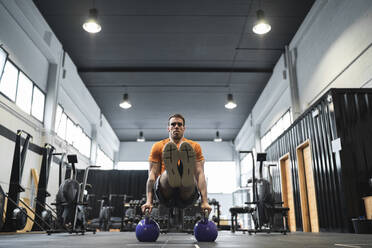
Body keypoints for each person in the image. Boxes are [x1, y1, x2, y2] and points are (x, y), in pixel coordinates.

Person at [141, 113, 211, 214]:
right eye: (173, 124)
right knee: (167, 174)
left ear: (184, 128)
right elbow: (152, 175)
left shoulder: (194, 147)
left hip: (184, 192)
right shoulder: (158, 146)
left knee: (189, 176)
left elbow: (200, 174)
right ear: (168, 128)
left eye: (179, 124)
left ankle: (181, 171)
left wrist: (205, 202)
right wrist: (149, 201)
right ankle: (173, 171)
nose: (176, 126)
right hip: (165, 191)